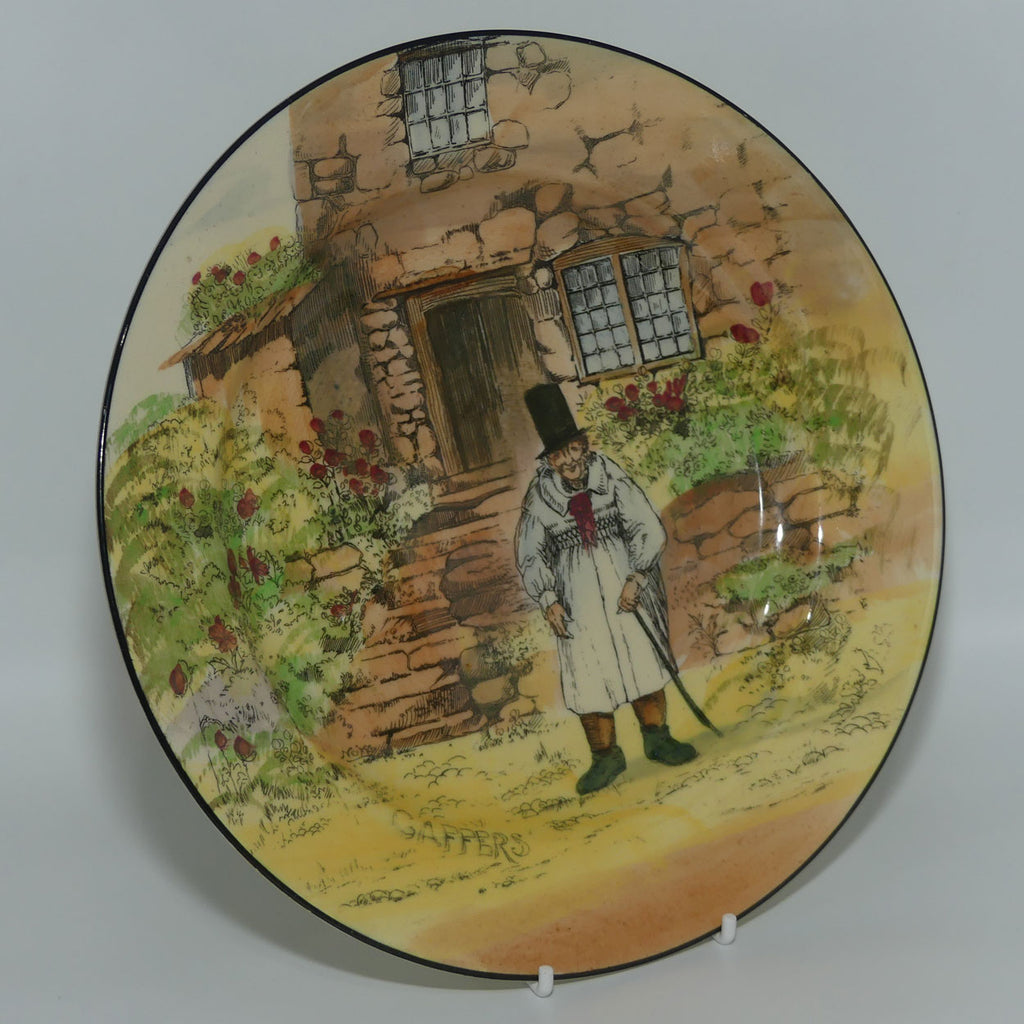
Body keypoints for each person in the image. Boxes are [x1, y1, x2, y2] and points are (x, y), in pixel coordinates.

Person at [515, 383, 698, 795]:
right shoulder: (540, 496)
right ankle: (605, 757)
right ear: (550, 460)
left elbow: (646, 526)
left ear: (584, 446)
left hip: (623, 584)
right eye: (558, 455)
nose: (569, 461)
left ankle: (658, 739)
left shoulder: (609, 475)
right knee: (588, 673)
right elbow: (530, 553)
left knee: (641, 659)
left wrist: (637, 576)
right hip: (576, 596)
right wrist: (548, 599)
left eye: (574, 449)